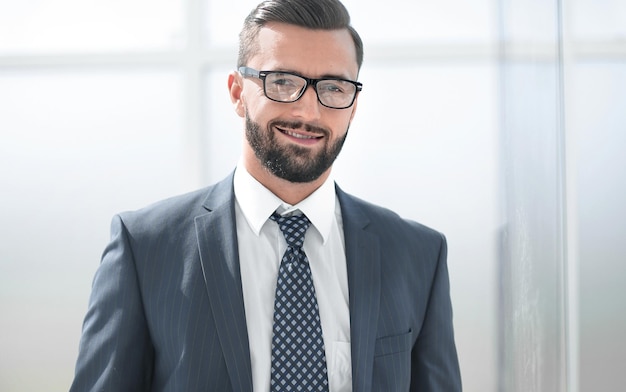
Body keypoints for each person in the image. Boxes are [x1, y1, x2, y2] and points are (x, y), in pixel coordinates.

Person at [70, 0, 461, 390]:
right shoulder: (145, 248)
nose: (309, 111)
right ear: (238, 92)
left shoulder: (417, 255)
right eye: (283, 82)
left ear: (353, 106)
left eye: (333, 87)